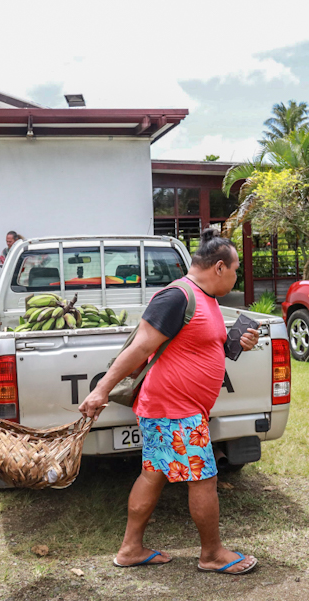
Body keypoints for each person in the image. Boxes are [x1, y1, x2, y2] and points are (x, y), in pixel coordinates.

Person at [79, 228, 261, 575]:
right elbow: (140, 347)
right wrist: (101, 389)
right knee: (203, 479)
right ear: (219, 267)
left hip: (174, 410)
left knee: (154, 474)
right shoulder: (176, 296)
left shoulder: (206, 298)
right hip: (175, 410)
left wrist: (238, 344)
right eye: (236, 269)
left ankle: (130, 549)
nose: (236, 277)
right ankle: (212, 554)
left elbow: (200, 346)